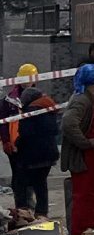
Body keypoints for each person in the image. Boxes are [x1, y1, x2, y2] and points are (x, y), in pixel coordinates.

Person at [61, 63, 94, 235]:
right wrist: (86, 143)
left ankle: (90, 231)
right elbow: (68, 123)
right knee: (85, 197)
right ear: (93, 81)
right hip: (84, 157)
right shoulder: (82, 100)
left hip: (92, 156)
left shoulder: (89, 98)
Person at [14, 86, 59, 216]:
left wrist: (17, 145)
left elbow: (25, 133)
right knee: (41, 185)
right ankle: (42, 213)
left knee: (21, 183)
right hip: (49, 154)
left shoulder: (30, 112)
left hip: (33, 155)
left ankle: (23, 213)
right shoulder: (48, 109)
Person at [4, 63, 39, 210]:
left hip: (31, 143)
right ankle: (22, 208)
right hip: (15, 144)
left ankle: (29, 208)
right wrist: (6, 141)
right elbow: (3, 122)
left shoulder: (38, 97)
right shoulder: (10, 99)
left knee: (32, 177)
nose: (28, 82)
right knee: (19, 178)